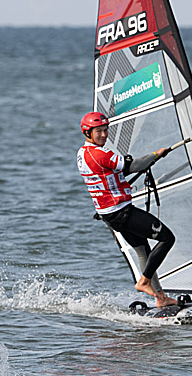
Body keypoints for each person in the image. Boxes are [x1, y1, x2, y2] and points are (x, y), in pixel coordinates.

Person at [76, 111, 179, 308]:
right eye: (98, 131)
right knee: (167, 238)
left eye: (105, 130)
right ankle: (144, 282)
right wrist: (157, 154)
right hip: (121, 212)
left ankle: (161, 298)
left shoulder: (82, 154)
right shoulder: (100, 154)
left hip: (109, 214)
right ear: (87, 132)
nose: (104, 135)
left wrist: (139, 166)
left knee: (142, 250)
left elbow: (113, 172)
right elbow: (134, 165)